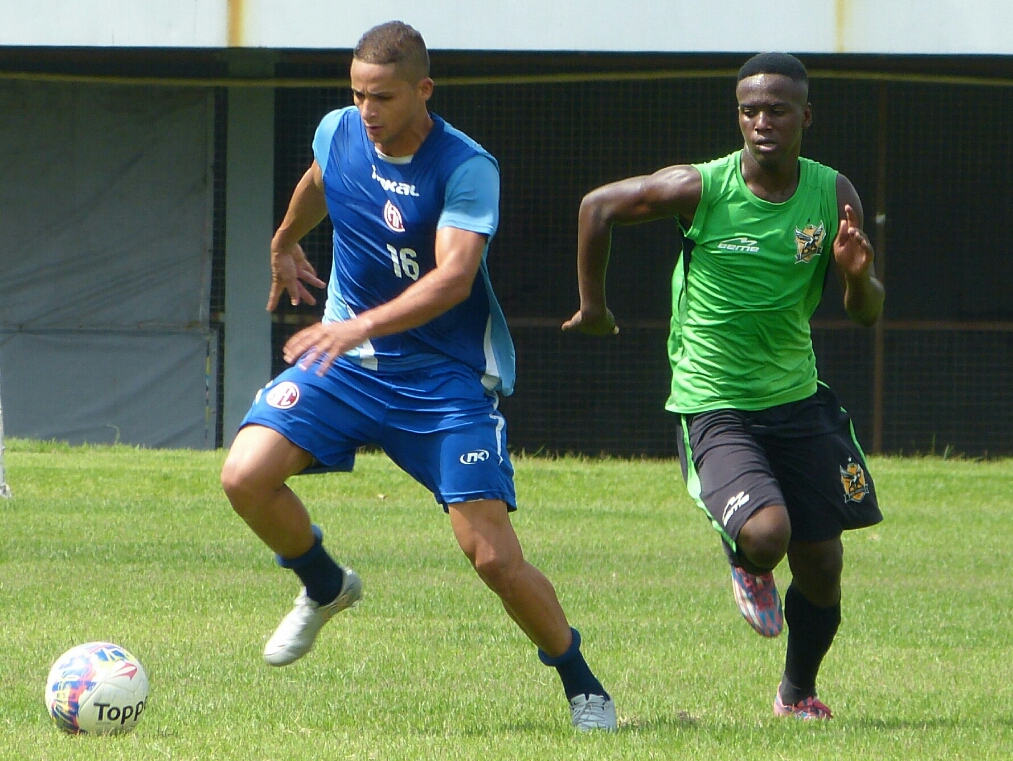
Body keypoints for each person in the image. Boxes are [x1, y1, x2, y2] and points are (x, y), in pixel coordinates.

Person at [220, 21, 615, 732]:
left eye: (383, 96)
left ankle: (581, 682)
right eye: (357, 93)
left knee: (491, 557)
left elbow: (454, 278)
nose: (367, 109)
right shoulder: (338, 129)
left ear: (422, 90)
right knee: (244, 474)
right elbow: (321, 180)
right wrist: (284, 242)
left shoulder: (465, 166)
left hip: (442, 378)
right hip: (347, 366)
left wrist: (359, 324)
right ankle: (323, 583)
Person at [563, 52, 884, 720]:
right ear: (737, 115)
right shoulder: (701, 187)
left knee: (823, 563)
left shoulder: (832, 193)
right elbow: (597, 207)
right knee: (768, 534)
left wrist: (856, 276)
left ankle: (796, 693)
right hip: (713, 399)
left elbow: (865, 311)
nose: (761, 121)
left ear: (805, 116)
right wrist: (593, 307)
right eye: (749, 109)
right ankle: (743, 553)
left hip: (797, 396)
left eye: (776, 109)